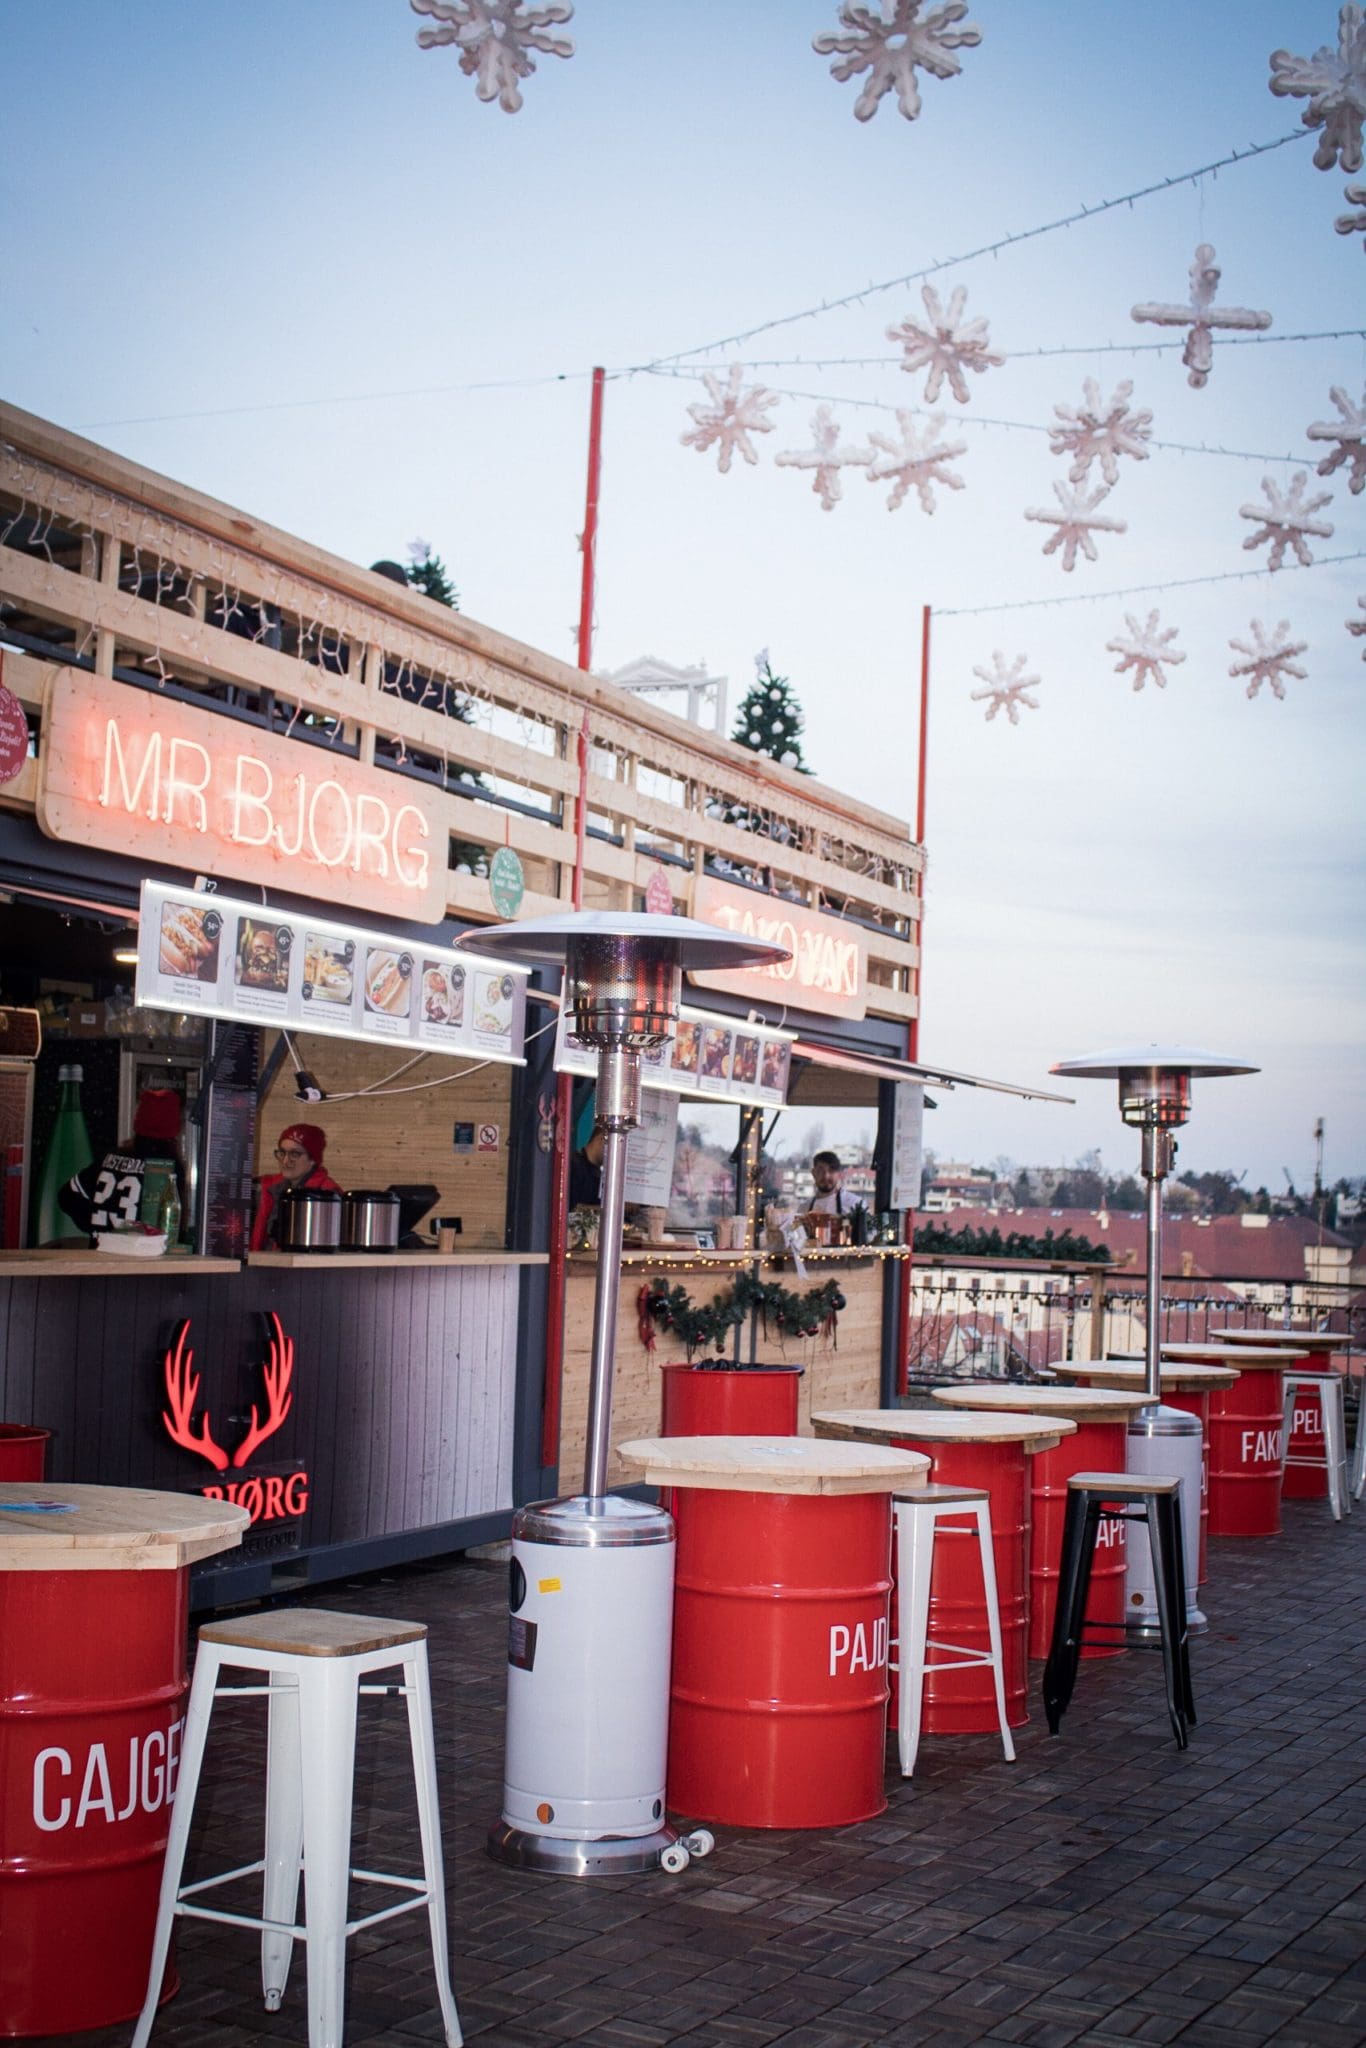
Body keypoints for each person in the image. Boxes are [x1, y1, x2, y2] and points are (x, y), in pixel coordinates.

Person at [58, 1087, 183, 1240]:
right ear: (173, 1129)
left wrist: (96, 1228)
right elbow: (172, 1227)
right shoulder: (168, 1168)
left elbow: (66, 1197)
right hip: (142, 1259)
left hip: (101, 1256)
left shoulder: (111, 1158)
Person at [250, 1122, 342, 1250]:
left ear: (313, 1159)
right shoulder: (267, 1187)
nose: (286, 1161)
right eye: (282, 1153)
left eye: (295, 1154)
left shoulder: (328, 1195)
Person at [807, 1149, 845, 1217]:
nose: (826, 1176)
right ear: (813, 1173)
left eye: (831, 1171)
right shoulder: (804, 1209)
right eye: (821, 1171)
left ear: (839, 1174)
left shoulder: (854, 1205)